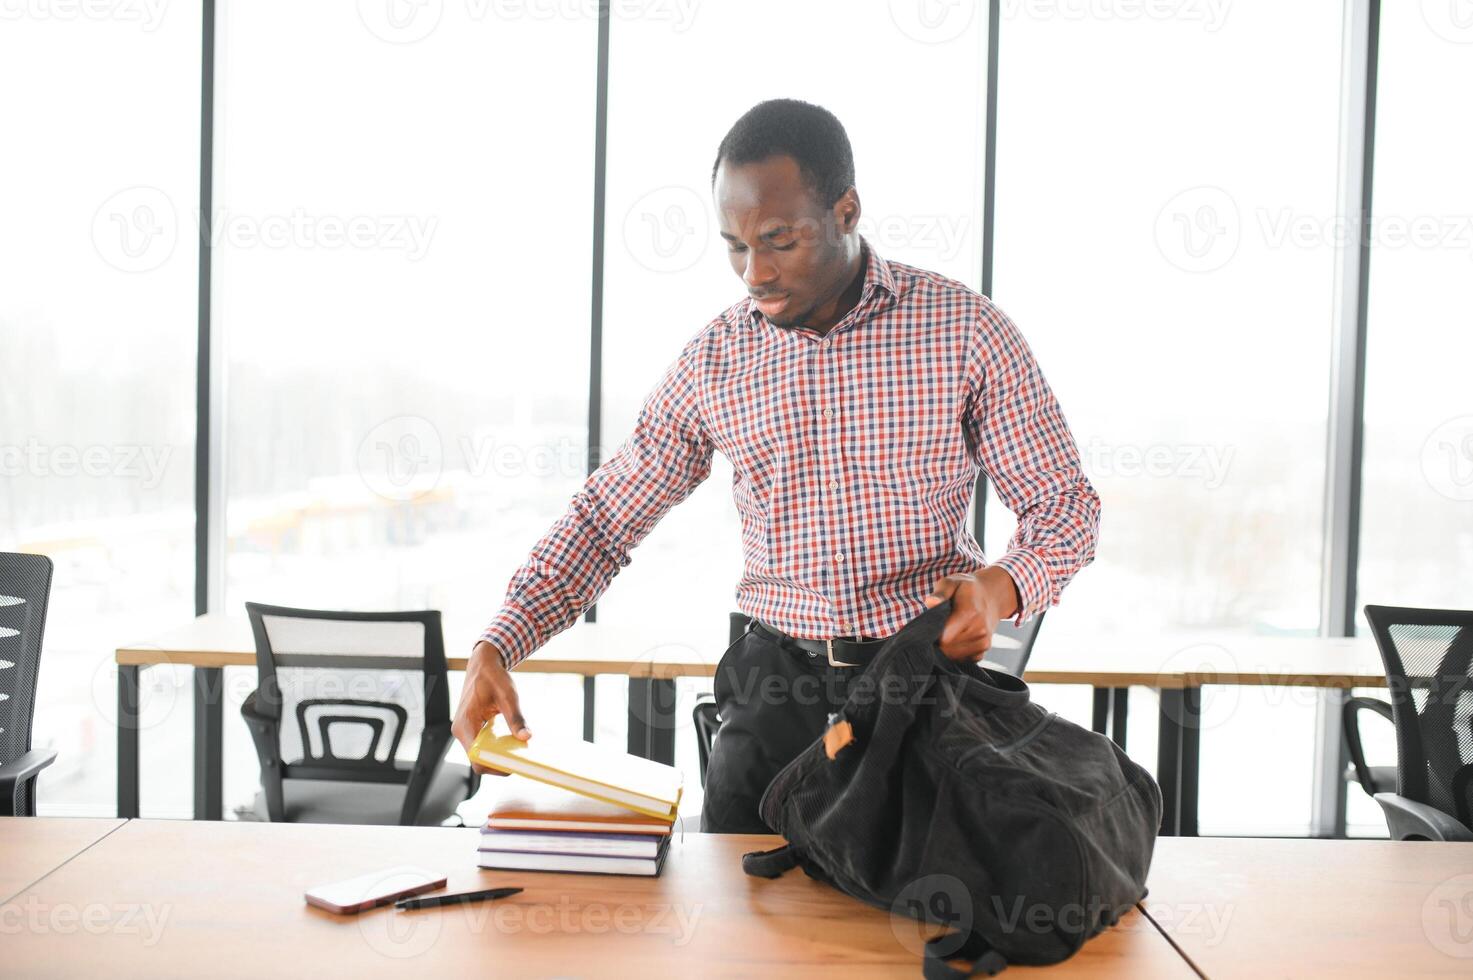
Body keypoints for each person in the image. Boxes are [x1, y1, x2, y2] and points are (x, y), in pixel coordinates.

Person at [452, 98, 1100, 833]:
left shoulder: (963, 330)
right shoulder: (716, 359)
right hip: (771, 688)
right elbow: (604, 519)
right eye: (734, 245)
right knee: (740, 914)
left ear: (846, 210)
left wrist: (1001, 587)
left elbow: (1064, 506)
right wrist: (497, 643)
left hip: (921, 683)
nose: (752, 273)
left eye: (778, 241)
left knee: (914, 915)